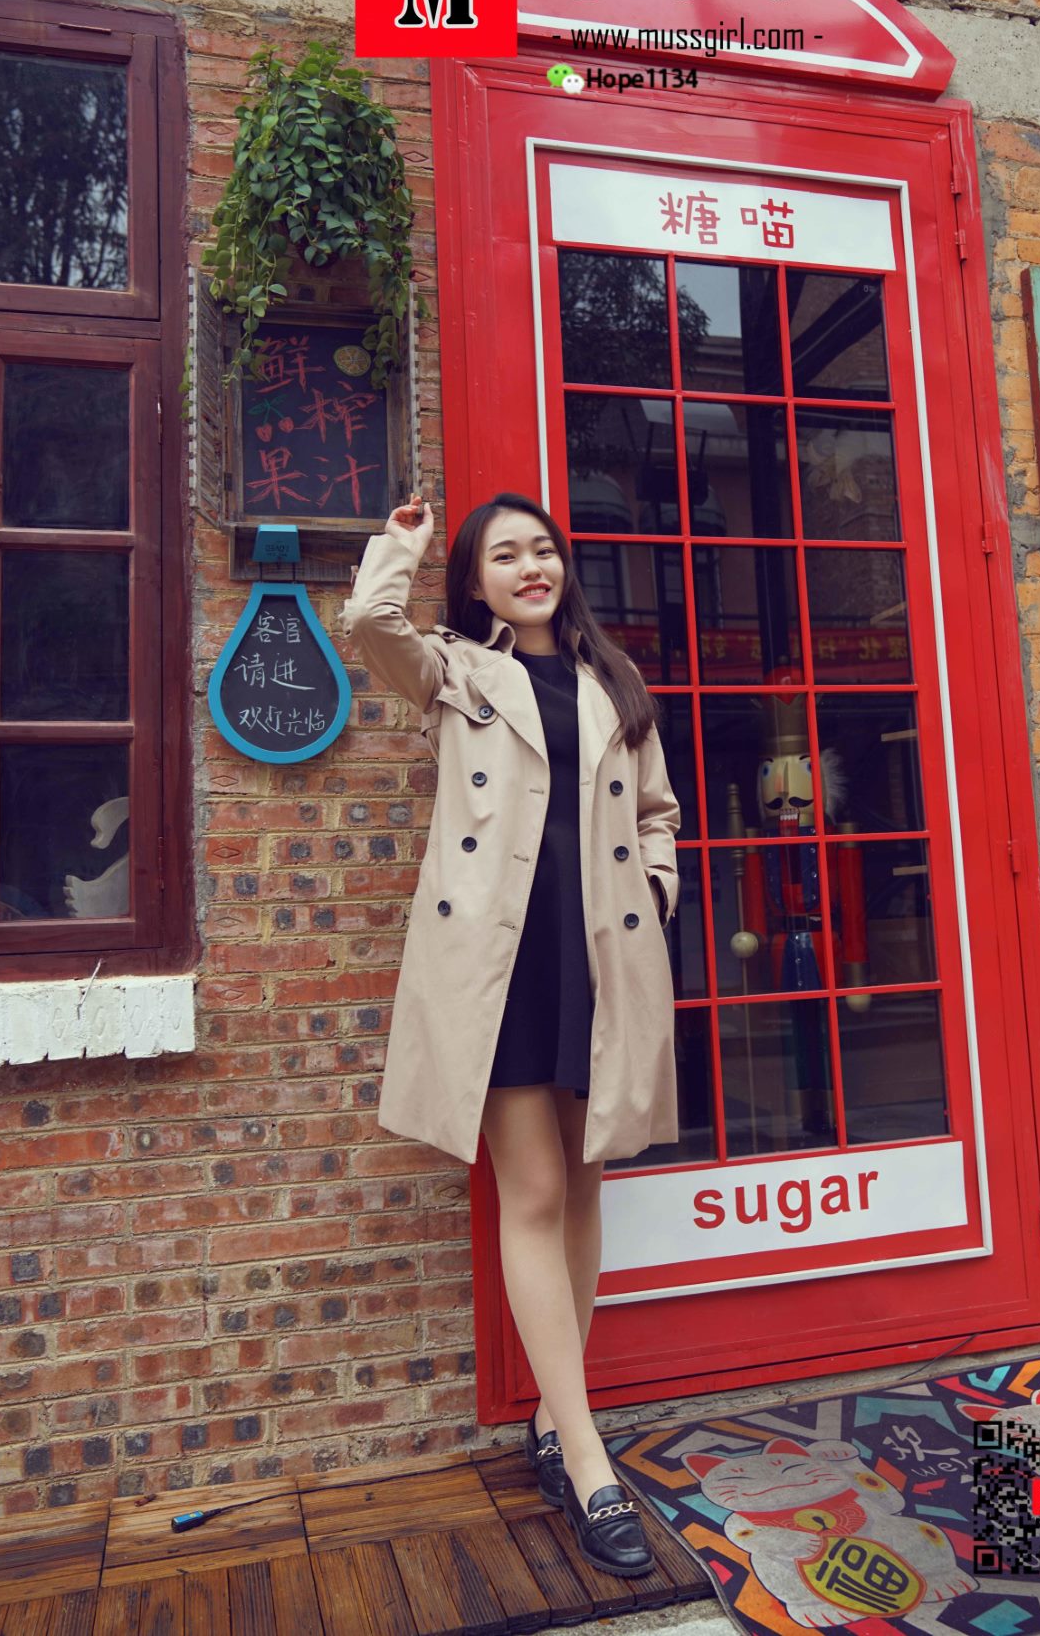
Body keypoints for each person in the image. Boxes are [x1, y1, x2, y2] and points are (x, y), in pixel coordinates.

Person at [340, 487, 681, 1576]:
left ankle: (550, 1414)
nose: (531, 567)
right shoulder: (455, 673)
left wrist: (659, 888)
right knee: (531, 1192)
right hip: (502, 962)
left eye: (543, 549)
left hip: (600, 957)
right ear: (477, 581)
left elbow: (657, 813)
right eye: (504, 555)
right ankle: (586, 1457)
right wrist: (399, 547)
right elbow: (371, 626)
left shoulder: (613, 681)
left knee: (584, 1187)